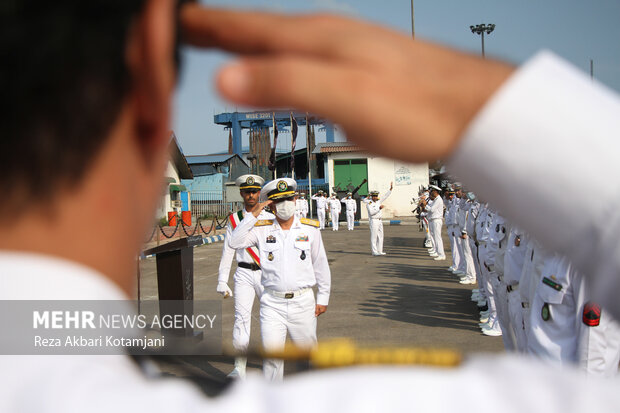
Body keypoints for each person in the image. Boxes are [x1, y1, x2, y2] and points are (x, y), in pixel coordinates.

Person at [6, 2, 620, 411]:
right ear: (150, 107)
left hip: (296, 299)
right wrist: (500, 113)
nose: (260, 200)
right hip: (263, 294)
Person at [227, 178, 331, 381]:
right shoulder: (261, 228)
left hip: (303, 302)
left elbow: (321, 264)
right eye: (279, 201)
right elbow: (234, 241)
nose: (285, 205)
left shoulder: (309, 229)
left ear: (295, 200)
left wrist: (323, 297)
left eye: (288, 199)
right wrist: (253, 215)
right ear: (271, 205)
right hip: (272, 304)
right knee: (273, 360)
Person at [217, 174, 275, 379]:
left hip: (267, 273)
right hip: (243, 272)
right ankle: (239, 368)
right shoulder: (234, 219)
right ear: (241, 193)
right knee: (240, 320)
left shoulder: (269, 218)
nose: (251, 195)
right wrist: (222, 279)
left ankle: (272, 366)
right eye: (247, 191)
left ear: (260, 193)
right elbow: (228, 250)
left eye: (255, 191)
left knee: (271, 320)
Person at [363, 183, 392, 256]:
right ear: (372, 197)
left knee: (381, 236)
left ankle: (380, 250)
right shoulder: (369, 204)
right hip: (374, 220)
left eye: (376, 196)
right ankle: (374, 251)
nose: (376, 197)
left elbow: (385, 196)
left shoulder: (378, 202)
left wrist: (390, 189)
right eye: (374, 196)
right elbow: (372, 212)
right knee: (374, 236)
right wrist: (379, 208)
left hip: (379, 220)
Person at [421, 185, 446, 261]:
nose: (431, 193)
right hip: (432, 220)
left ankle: (441, 254)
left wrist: (425, 205)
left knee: (437, 238)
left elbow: (431, 210)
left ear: (436, 192)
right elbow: (428, 208)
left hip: (436, 220)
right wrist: (424, 205)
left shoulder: (438, 200)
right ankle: (436, 251)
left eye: (432, 191)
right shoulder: (435, 199)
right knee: (433, 236)